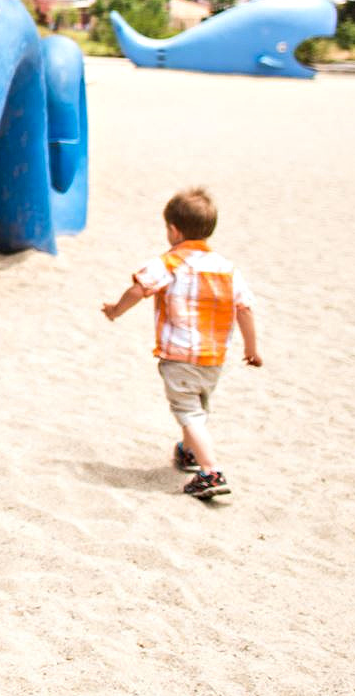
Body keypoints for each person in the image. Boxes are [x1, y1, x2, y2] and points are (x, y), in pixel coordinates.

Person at [99, 186, 264, 501]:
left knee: (187, 410)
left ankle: (210, 471)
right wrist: (251, 349)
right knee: (197, 406)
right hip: (213, 357)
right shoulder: (227, 269)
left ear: (173, 230)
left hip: (179, 355)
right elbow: (244, 309)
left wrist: (115, 311)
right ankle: (189, 452)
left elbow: (140, 289)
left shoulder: (170, 263)